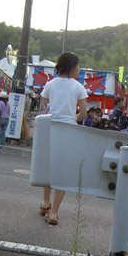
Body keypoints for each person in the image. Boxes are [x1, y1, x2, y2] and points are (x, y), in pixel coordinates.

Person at [39, 52, 87, 225]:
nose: (79, 69)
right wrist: (70, 118)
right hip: (68, 132)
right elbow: (83, 114)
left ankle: (45, 202)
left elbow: (42, 108)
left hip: (50, 128)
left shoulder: (50, 84)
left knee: (48, 167)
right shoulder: (78, 87)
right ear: (72, 66)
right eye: (78, 66)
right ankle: (54, 213)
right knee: (63, 171)